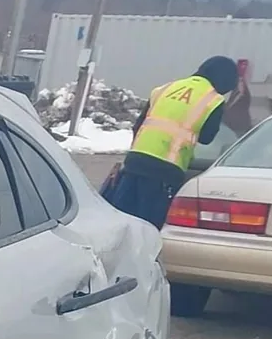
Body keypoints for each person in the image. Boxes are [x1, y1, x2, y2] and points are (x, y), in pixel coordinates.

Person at [102, 56, 251, 228]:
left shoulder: (165, 88)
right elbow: (207, 137)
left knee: (123, 222)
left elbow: (138, 125)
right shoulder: (214, 100)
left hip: (134, 163)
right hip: (165, 171)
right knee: (149, 227)